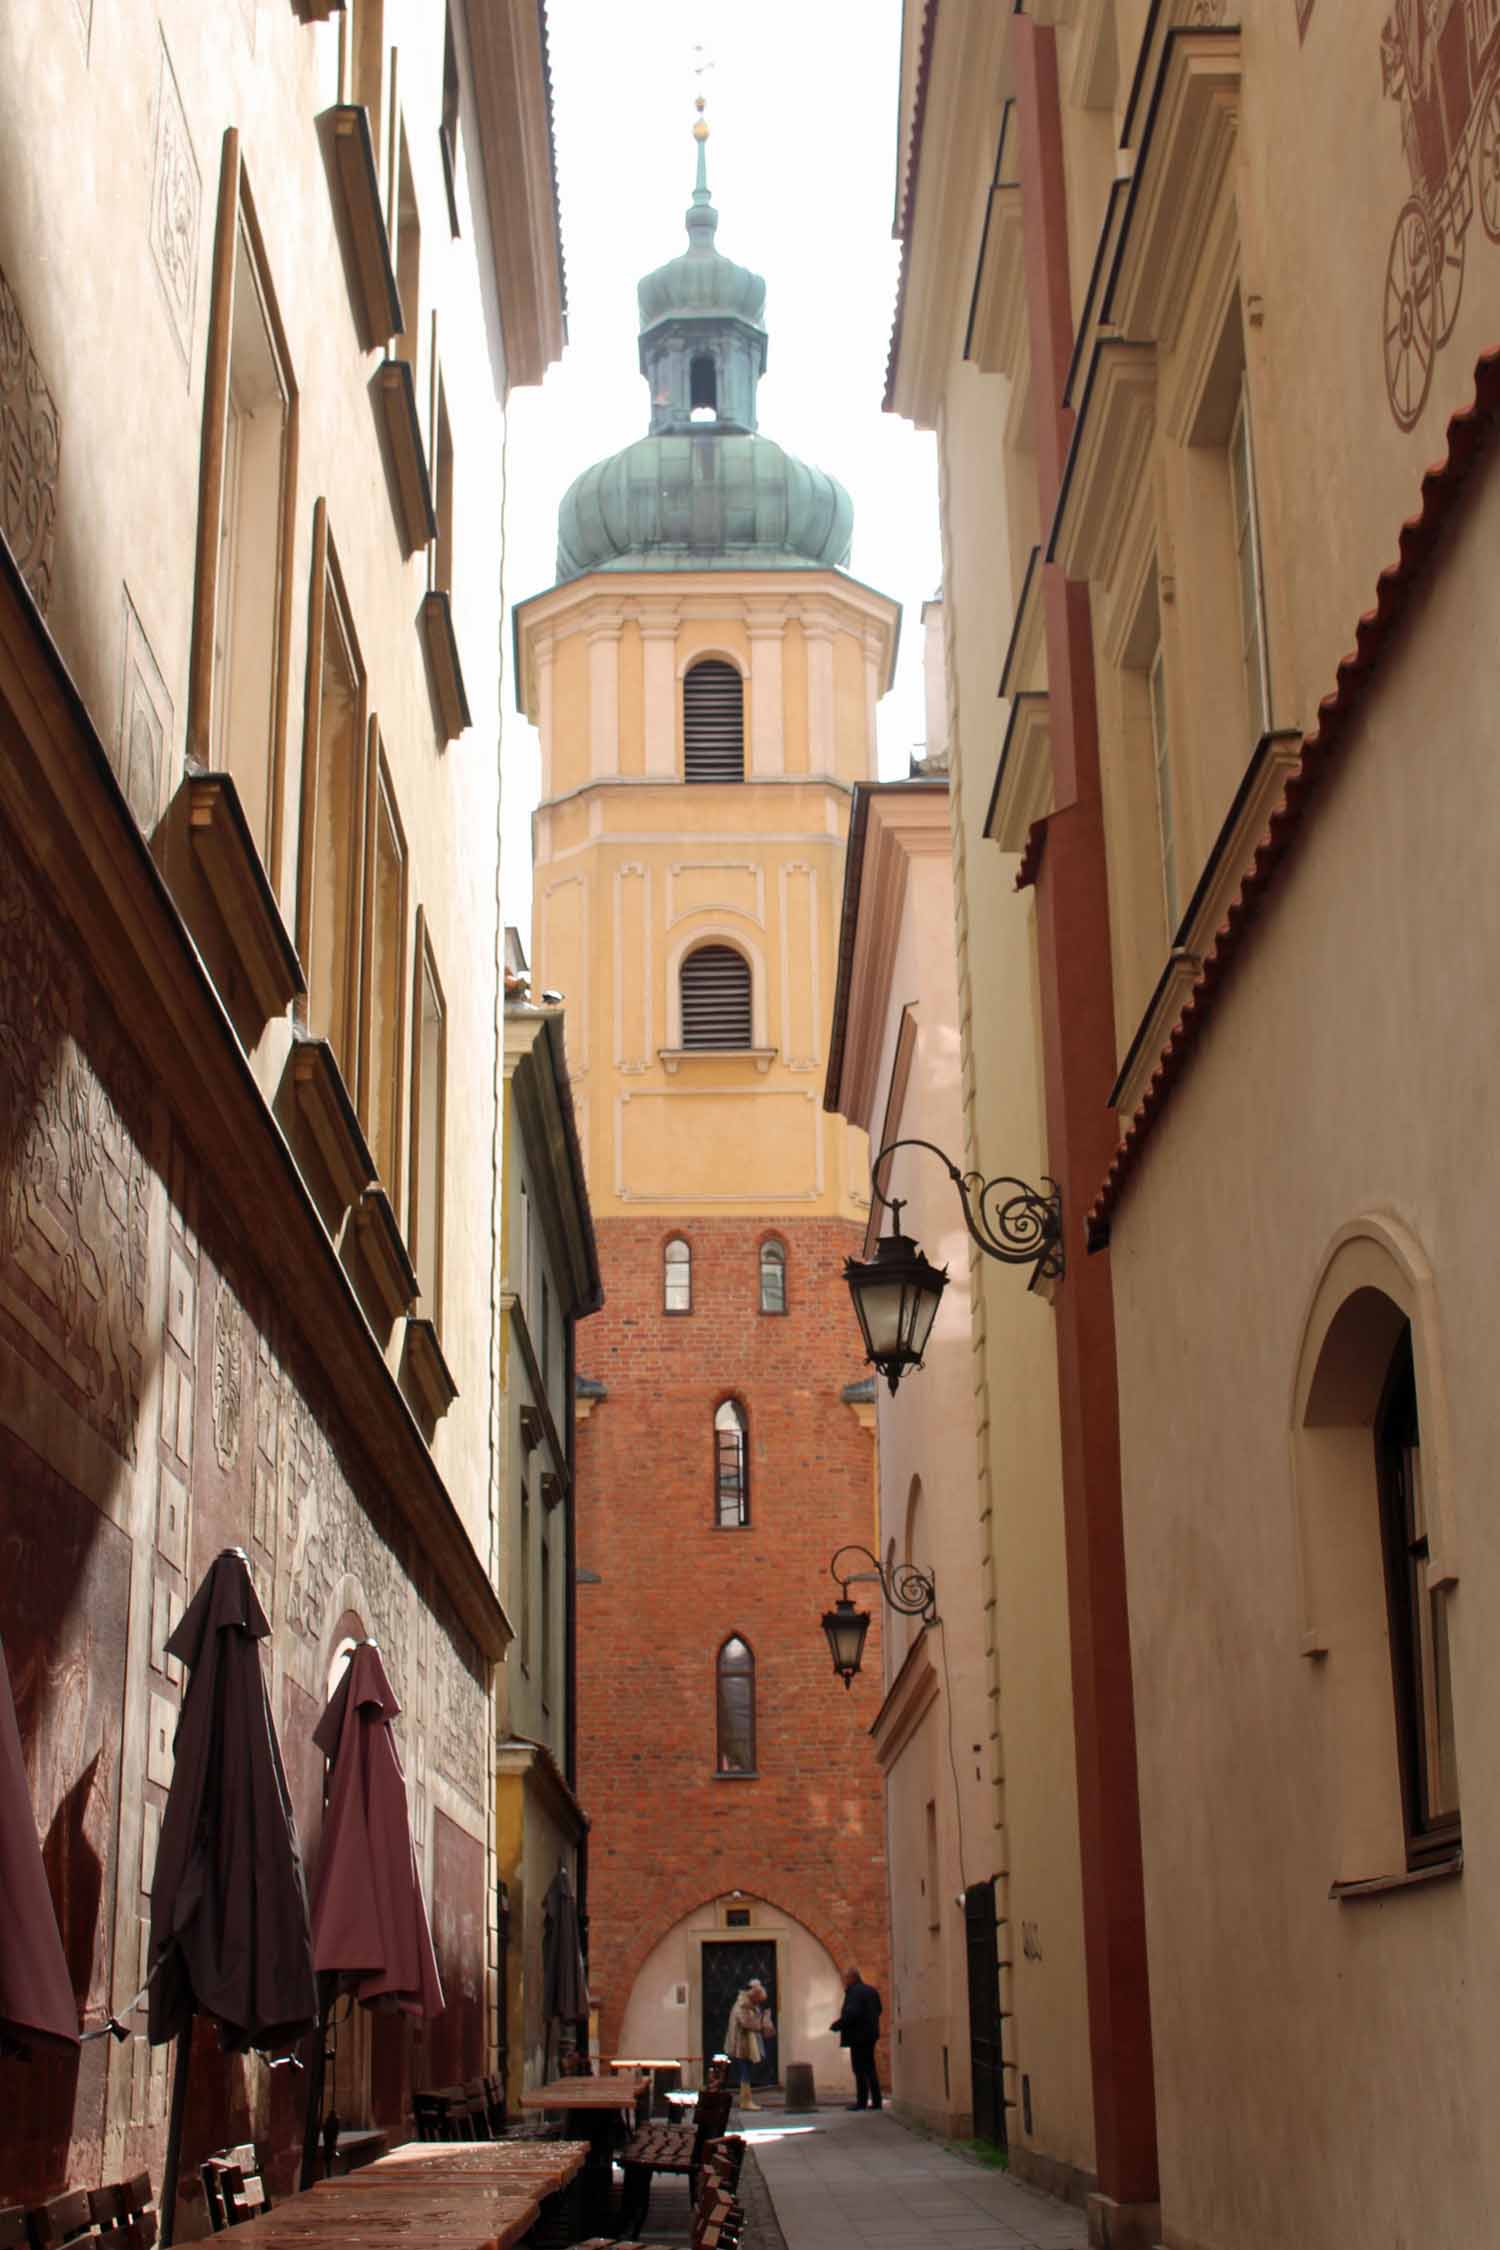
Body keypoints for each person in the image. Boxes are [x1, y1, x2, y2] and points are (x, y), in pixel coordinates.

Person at [830, 1965, 883, 2110]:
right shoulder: (871, 1991)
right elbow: (879, 2009)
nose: (844, 1981)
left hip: (858, 2036)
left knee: (859, 2069)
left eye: (845, 1978)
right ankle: (877, 2101)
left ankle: (861, 2102)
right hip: (870, 2034)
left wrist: (837, 2025)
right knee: (870, 2068)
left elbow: (851, 2014)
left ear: (852, 1978)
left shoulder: (854, 1992)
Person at [723, 1978, 773, 2110]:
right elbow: (745, 2023)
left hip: (748, 2042)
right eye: (758, 2000)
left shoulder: (751, 2005)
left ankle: (746, 2099)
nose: (758, 2003)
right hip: (741, 2043)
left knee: (747, 2071)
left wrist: (764, 2020)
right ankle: (745, 2101)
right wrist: (761, 2025)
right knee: (745, 2071)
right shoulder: (742, 2005)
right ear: (754, 1996)